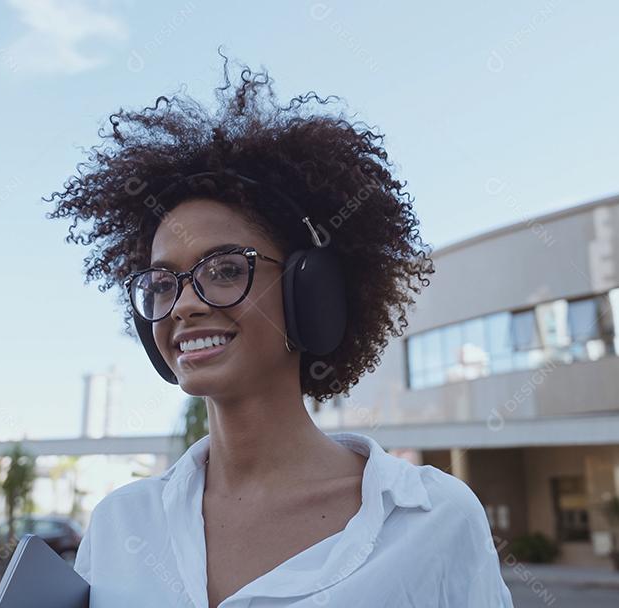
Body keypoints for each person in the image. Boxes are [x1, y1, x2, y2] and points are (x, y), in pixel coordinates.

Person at [47, 56, 514, 607]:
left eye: (224, 270)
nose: (185, 304)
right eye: (163, 282)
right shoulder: (120, 525)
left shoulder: (431, 519)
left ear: (309, 291)